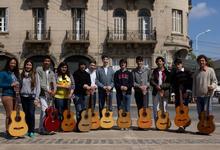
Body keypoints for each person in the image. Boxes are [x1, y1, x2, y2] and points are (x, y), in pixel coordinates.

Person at [193, 55, 218, 122]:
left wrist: (212, 86)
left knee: (207, 113)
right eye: (200, 61)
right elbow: (194, 85)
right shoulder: (196, 72)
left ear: (206, 62)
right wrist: (193, 95)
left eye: (203, 61)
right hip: (198, 96)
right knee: (200, 114)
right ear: (198, 62)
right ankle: (202, 129)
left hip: (208, 96)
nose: (201, 62)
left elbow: (215, 81)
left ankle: (207, 129)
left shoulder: (210, 70)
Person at [36, 56, 56, 135]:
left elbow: (54, 82)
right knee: (45, 111)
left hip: (50, 94)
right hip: (42, 93)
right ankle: (44, 128)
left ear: (50, 62)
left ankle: (42, 128)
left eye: (48, 61)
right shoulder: (39, 69)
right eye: (45, 61)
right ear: (43, 62)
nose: (47, 62)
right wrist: (48, 90)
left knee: (46, 111)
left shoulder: (51, 72)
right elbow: (40, 82)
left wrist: (54, 91)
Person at [20, 59, 40, 137]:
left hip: (32, 97)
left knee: (31, 114)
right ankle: (27, 129)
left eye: (30, 65)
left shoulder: (35, 74)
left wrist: (37, 98)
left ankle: (31, 130)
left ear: (32, 66)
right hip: (23, 97)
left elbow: (38, 87)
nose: (28, 66)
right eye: (27, 64)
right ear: (25, 65)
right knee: (26, 114)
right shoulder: (21, 74)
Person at [171, 58, 192, 132]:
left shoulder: (187, 72)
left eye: (178, 64)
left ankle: (184, 125)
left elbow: (190, 82)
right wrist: (173, 94)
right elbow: (173, 84)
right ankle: (180, 125)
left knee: (184, 110)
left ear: (181, 64)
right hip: (177, 94)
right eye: (176, 65)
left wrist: (188, 91)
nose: (177, 66)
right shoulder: (174, 73)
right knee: (178, 110)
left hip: (185, 94)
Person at [0, 57, 20, 137]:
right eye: (12, 63)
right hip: (7, 95)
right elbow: (0, 84)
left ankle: (14, 129)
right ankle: (8, 131)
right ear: (8, 63)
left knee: (15, 114)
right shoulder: (3, 73)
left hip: (16, 95)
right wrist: (10, 85)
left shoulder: (15, 73)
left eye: (14, 63)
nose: (13, 64)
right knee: (9, 114)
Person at [150, 56, 171, 125]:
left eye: (160, 61)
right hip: (156, 92)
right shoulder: (154, 71)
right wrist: (156, 86)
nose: (159, 63)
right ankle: (157, 123)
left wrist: (161, 87)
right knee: (156, 108)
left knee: (164, 108)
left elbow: (169, 83)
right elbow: (151, 81)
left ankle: (164, 123)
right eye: (158, 61)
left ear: (163, 62)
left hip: (164, 92)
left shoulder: (167, 72)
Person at [114, 59, 133, 130]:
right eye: (121, 63)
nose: (123, 64)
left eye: (124, 63)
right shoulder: (117, 73)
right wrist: (120, 87)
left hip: (127, 93)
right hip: (119, 93)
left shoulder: (129, 73)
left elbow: (131, 83)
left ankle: (127, 124)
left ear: (126, 64)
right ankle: (121, 124)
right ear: (120, 64)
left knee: (127, 109)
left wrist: (127, 87)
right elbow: (115, 83)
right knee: (120, 109)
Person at [73, 62, 91, 126]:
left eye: (84, 65)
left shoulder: (87, 74)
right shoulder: (75, 73)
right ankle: (79, 125)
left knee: (84, 110)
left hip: (85, 94)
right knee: (79, 110)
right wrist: (83, 86)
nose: (83, 66)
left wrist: (88, 87)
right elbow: (75, 84)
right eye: (81, 65)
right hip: (77, 94)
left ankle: (84, 123)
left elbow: (89, 83)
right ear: (79, 66)